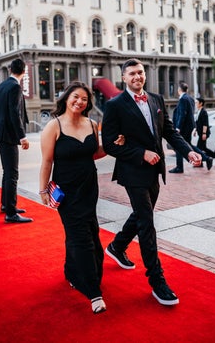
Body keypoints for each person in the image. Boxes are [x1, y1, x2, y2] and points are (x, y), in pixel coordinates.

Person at [101, 58, 201, 306]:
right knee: (147, 223)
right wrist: (140, 153)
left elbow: (168, 131)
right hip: (133, 171)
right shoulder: (115, 105)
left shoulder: (156, 99)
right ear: (123, 77)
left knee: (140, 215)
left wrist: (188, 152)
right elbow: (111, 144)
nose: (137, 77)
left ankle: (117, 246)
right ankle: (157, 281)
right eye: (132, 73)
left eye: (140, 72)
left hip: (155, 171)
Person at [39, 81, 124, 314]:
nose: (79, 102)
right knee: (82, 239)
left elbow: (94, 153)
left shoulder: (92, 124)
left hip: (89, 188)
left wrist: (111, 146)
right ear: (66, 98)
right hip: (66, 192)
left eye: (84, 99)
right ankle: (94, 292)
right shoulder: (53, 126)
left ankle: (72, 272)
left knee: (89, 232)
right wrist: (43, 190)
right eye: (75, 97)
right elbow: (47, 161)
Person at [0, 58, 33, 223]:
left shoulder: (1, 86)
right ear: (24, 71)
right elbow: (15, 113)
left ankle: (6, 205)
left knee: (7, 172)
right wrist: (23, 137)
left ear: (10, 70)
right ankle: (11, 213)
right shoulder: (15, 87)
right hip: (8, 136)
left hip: (0, 135)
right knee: (12, 173)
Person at [169, 82, 196, 174]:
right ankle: (206, 158)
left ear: (179, 90)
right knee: (188, 145)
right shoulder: (190, 98)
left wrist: (178, 127)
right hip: (189, 126)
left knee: (178, 145)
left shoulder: (183, 99)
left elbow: (182, 114)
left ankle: (179, 167)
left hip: (184, 127)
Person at [194, 97, 215, 167]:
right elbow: (198, 123)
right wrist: (195, 130)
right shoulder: (198, 112)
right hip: (201, 133)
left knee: (198, 149)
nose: (195, 104)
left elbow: (205, 124)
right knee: (203, 148)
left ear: (201, 103)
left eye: (196, 102)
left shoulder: (204, 112)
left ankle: (202, 162)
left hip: (204, 133)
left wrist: (204, 133)